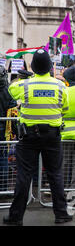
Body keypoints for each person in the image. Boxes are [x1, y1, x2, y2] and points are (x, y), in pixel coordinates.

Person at [3, 49, 72, 225]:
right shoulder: (60, 86)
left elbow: (10, 91)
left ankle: (16, 216)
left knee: (24, 177)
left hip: (29, 137)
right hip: (52, 136)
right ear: (50, 66)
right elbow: (66, 108)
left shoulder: (23, 85)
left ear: (33, 67)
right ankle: (61, 214)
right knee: (55, 175)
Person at [0, 67, 17, 196]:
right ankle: (3, 188)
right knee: (3, 159)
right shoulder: (6, 91)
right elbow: (12, 110)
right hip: (2, 130)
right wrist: (15, 130)